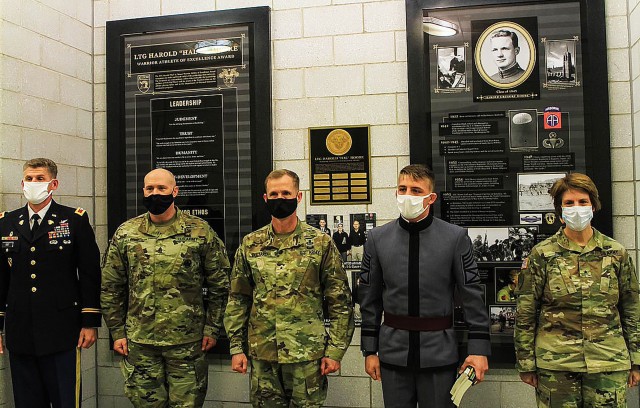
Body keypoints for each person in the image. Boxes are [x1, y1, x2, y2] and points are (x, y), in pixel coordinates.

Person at [359, 164, 490, 407]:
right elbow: (370, 300)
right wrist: (369, 350)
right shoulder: (378, 239)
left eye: (416, 190)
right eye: (402, 188)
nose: (407, 195)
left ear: (431, 198)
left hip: (439, 354)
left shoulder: (455, 237)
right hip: (393, 354)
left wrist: (479, 349)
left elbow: (472, 295)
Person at [224, 169, 355, 407]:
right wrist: (235, 347)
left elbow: (340, 301)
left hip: (306, 357)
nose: (280, 199)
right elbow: (238, 298)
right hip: (263, 356)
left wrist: (335, 351)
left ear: (299, 196)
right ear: (265, 199)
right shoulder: (251, 244)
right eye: (274, 194)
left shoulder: (320, 243)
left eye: (286, 193)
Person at [101, 168, 230, 408]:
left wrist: (212, 328)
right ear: (143, 191)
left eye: (161, 188)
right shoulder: (127, 233)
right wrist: (117, 331)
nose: (155, 193)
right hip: (140, 342)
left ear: (175, 191)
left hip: (187, 342)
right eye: (150, 188)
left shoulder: (199, 231)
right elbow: (111, 286)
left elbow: (220, 285)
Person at [515, 173, 640, 407]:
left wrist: (636, 360)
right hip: (556, 365)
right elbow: (526, 312)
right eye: (569, 203)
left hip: (608, 362)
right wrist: (526, 362)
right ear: (560, 211)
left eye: (583, 202)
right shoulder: (542, 255)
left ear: (593, 206)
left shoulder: (616, 253)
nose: (577, 208)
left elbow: (632, 308)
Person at [0, 158, 101, 407]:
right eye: (29, 179)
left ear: (53, 183)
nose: (33, 183)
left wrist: (90, 321)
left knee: (65, 400)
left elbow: (89, 273)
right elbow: (1, 278)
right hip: (20, 331)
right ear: (22, 183)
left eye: (40, 179)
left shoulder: (74, 220)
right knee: (27, 402)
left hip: (61, 331)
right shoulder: (7, 222)